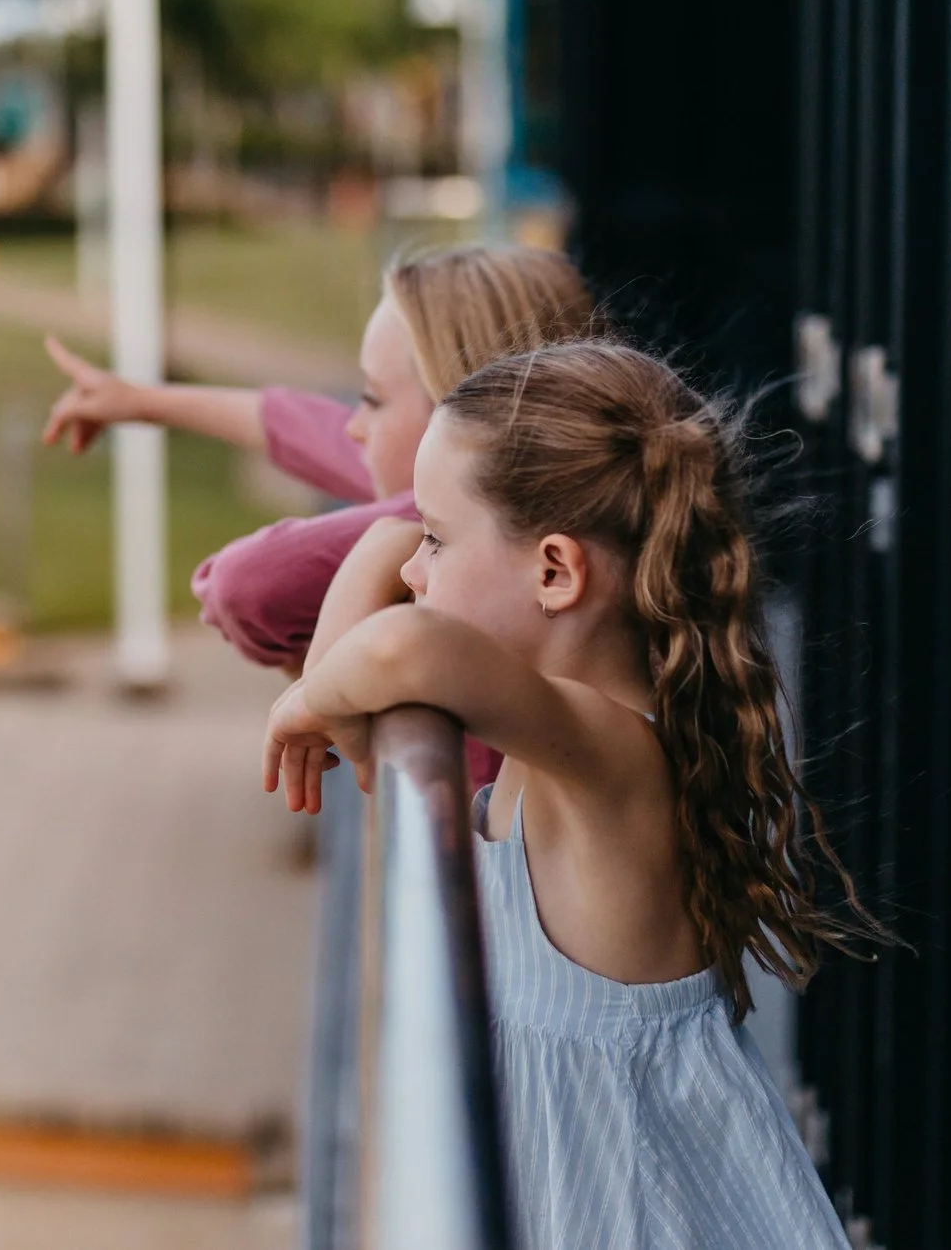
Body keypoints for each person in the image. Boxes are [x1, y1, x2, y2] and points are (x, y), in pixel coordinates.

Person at [264, 341, 877, 1249]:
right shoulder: (552, 728)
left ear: (556, 571)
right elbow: (368, 686)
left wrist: (305, 699)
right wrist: (391, 542)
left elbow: (397, 656)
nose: (415, 571)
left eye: (436, 538)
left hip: (640, 1208)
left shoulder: (613, 750)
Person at [42, 244, 593, 783]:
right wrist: (145, 402)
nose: (353, 426)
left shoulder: (472, 519)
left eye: (372, 399)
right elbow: (316, 432)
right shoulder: (534, 497)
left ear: (459, 410)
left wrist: (375, 561)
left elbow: (248, 585)